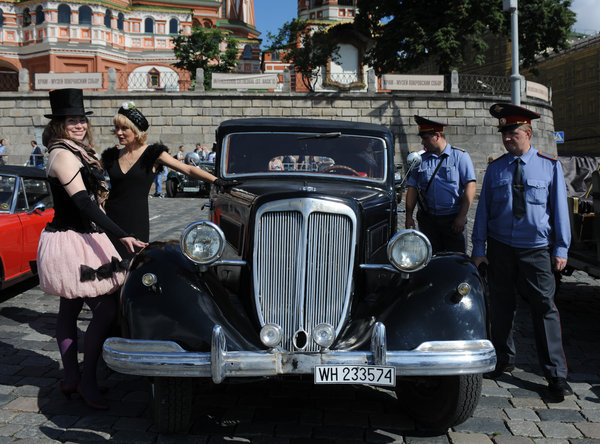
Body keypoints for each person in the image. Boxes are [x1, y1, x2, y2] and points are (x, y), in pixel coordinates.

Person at [36, 89, 147, 410]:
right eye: (72, 121)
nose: (79, 125)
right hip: (71, 238)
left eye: (81, 120)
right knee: (105, 309)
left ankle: (71, 377)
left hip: (83, 236)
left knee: (69, 309)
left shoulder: (78, 151)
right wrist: (122, 235)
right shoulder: (63, 154)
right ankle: (85, 380)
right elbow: (83, 202)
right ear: (59, 125)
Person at [471, 103, 572, 400]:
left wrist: (561, 247)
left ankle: (555, 375)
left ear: (527, 133)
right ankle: (503, 359)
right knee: (501, 306)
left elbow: (559, 211)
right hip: (501, 248)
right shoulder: (496, 168)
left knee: (545, 309)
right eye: (504, 134)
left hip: (536, 250)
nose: (506, 139)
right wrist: (479, 248)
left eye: (512, 133)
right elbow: (484, 211)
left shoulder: (548, 165)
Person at [101, 102, 231, 260]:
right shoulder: (111, 155)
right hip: (110, 218)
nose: (119, 132)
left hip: (136, 220)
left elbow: (187, 169)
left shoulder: (152, 154)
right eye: (116, 128)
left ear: (135, 131)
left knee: (133, 265)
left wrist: (217, 180)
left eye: (124, 128)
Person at [405, 116, 476, 253]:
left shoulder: (460, 156)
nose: (422, 142)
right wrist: (409, 216)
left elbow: (470, 186)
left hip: (453, 220)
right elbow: (412, 188)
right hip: (428, 221)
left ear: (437, 136)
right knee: (430, 260)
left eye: (425, 138)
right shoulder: (420, 160)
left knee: (455, 261)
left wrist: (461, 217)